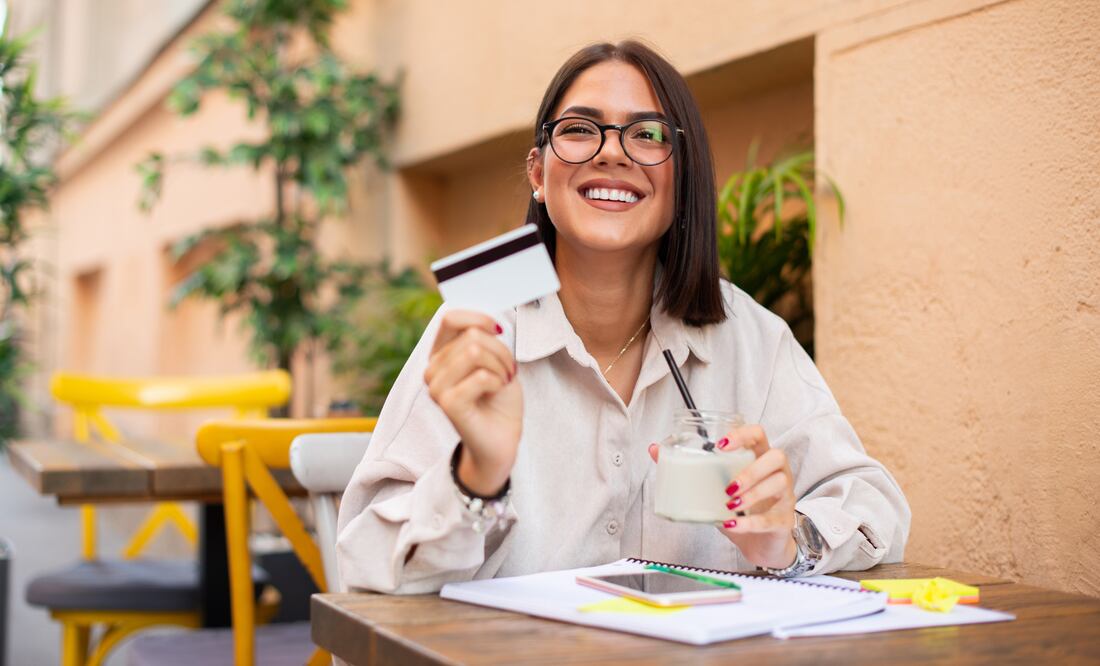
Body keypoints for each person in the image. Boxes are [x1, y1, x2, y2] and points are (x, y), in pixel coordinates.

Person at [336, 41, 910, 593]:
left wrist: (789, 539)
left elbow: (873, 505)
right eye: (580, 129)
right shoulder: (478, 326)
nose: (612, 152)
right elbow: (364, 560)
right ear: (538, 173)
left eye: (648, 134)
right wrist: (475, 478)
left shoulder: (748, 336)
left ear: (681, 179)